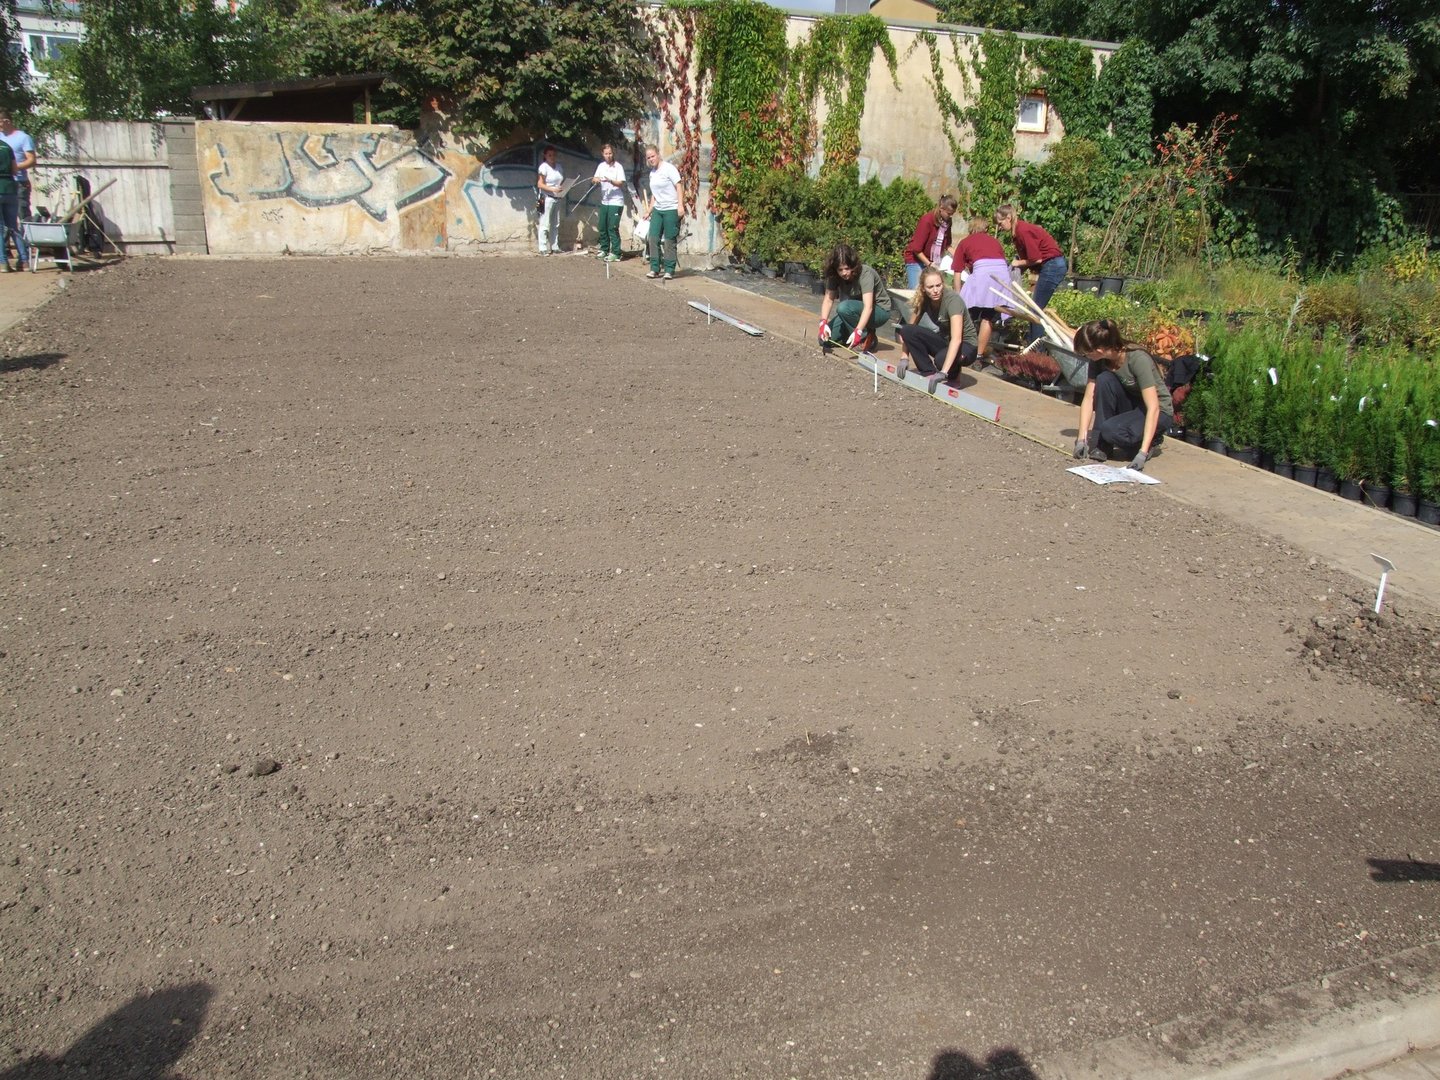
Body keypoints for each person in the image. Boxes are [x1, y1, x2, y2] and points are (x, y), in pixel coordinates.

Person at [1071, 318, 1174, 471]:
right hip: (1133, 403)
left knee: (1112, 431)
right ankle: (1103, 445)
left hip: (1158, 411)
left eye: (1087, 353)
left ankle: (1150, 440)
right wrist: (1081, 439)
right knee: (1104, 379)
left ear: (1099, 350)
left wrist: (1142, 453)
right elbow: (1089, 397)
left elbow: (1154, 407)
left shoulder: (1137, 359)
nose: (1086, 357)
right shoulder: (1098, 360)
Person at [994, 204, 1066, 345]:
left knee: (1035, 309)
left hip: (1053, 265)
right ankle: (1034, 342)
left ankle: (1037, 347)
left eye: (1000, 223)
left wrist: (1017, 263)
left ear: (1008, 217)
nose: (1000, 228)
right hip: (1051, 265)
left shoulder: (1023, 230)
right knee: (1035, 308)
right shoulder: (1017, 232)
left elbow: (1036, 259)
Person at [896, 266, 978, 380]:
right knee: (907, 330)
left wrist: (943, 372)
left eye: (938, 285)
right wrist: (904, 357)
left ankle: (954, 375)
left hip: (966, 345)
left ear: (942, 284)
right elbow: (910, 328)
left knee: (940, 361)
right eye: (930, 287)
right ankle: (928, 372)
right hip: (947, 342)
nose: (935, 290)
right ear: (923, 288)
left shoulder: (953, 300)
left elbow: (957, 339)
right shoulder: (923, 299)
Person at [817, 242, 896, 353]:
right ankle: (852, 335)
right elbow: (828, 299)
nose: (844, 273)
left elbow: (868, 307)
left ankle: (866, 338)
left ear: (853, 265)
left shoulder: (865, 273)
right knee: (824, 340)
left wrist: (859, 332)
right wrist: (823, 323)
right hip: (855, 311)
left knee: (843, 308)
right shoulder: (834, 276)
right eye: (840, 270)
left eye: (847, 268)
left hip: (878, 310)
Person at [953, 216, 1010, 364]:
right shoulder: (995, 242)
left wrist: (958, 296)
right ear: (986, 228)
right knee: (988, 316)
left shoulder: (965, 242)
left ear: (971, 228)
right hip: (1002, 277)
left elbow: (957, 271)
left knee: (966, 315)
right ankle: (978, 356)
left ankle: (962, 352)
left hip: (982, 275)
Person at [642, 146, 682, 280]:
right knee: (653, 238)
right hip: (658, 209)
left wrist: (680, 205)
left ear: (658, 154)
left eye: (653, 156)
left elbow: (679, 186)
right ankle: (654, 268)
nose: (651, 159)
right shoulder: (652, 173)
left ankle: (669, 269)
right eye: (648, 157)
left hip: (671, 208)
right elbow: (654, 194)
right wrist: (649, 210)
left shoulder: (669, 168)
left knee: (669, 240)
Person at [903, 195, 957, 290]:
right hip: (916, 260)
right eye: (949, 213)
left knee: (934, 291)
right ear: (941, 208)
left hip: (932, 262)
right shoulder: (927, 220)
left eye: (953, 213)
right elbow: (916, 249)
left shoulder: (947, 222)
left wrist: (959, 256)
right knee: (917, 291)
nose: (951, 216)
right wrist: (929, 264)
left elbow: (947, 245)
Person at [591, 144, 627, 263]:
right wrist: (595, 180)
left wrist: (610, 180)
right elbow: (594, 179)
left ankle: (616, 253)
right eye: (606, 154)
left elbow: (620, 183)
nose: (608, 156)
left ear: (613, 153)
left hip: (616, 201)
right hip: (605, 201)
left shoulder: (618, 167)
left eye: (610, 153)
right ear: (603, 154)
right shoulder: (601, 166)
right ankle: (604, 249)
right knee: (602, 226)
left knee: (612, 227)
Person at [0, 112, 36, 225]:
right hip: (3, 183)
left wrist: (13, 167)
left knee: (22, 214)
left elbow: (31, 160)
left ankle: (26, 235)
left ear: (7, 121)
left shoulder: (23, 138)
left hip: (19, 182)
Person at [536, 146, 564, 255]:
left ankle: (554, 246)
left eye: (554, 155)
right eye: (549, 155)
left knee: (556, 223)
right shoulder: (544, 167)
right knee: (544, 223)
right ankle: (543, 247)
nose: (552, 157)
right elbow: (540, 184)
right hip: (546, 197)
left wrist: (561, 188)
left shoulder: (559, 167)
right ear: (545, 156)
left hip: (557, 197)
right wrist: (552, 189)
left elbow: (559, 181)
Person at [0, 137, 23, 273]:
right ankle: (24, 260)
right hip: (10, 189)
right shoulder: (6, 146)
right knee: (13, 227)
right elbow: (15, 170)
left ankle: (3, 263)